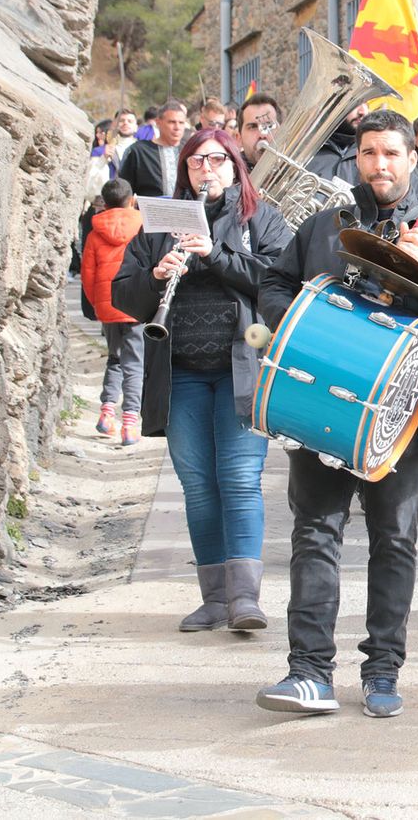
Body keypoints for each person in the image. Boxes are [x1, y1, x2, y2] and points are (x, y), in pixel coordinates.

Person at [255, 109, 418, 719]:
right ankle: (309, 672)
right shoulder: (325, 223)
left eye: (391, 153)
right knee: (314, 532)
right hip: (322, 396)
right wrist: (298, 326)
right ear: (356, 158)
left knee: (395, 539)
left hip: (405, 407)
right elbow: (274, 284)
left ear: (412, 158)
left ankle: (382, 668)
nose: (379, 165)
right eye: (369, 153)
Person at [111, 128, 292, 633]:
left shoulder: (260, 218)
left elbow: (279, 282)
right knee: (197, 485)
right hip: (181, 372)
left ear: (235, 166)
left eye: (215, 160)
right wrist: (154, 277)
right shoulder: (160, 223)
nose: (205, 170)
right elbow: (123, 295)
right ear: (184, 171)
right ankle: (214, 600)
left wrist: (215, 255)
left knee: (239, 478)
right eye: (195, 162)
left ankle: (245, 599)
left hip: (242, 368)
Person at [81, 178, 144, 446]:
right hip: (137, 306)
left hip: (107, 307)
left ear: (104, 204)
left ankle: (107, 413)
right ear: (132, 200)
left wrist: (98, 304)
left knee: (115, 359)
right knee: (135, 364)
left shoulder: (94, 233)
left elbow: (87, 274)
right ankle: (129, 422)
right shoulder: (142, 226)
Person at [117, 102, 188, 198]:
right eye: (171, 122)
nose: (177, 127)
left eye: (181, 123)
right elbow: (124, 190)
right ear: (158, 122)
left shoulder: (189, 151)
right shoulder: (138, 151)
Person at [237, 93, 280, 167]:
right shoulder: (228, 172)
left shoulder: (296, 170)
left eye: (269, 126)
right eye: (253, 127)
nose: (262, 134)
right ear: (239, 138)